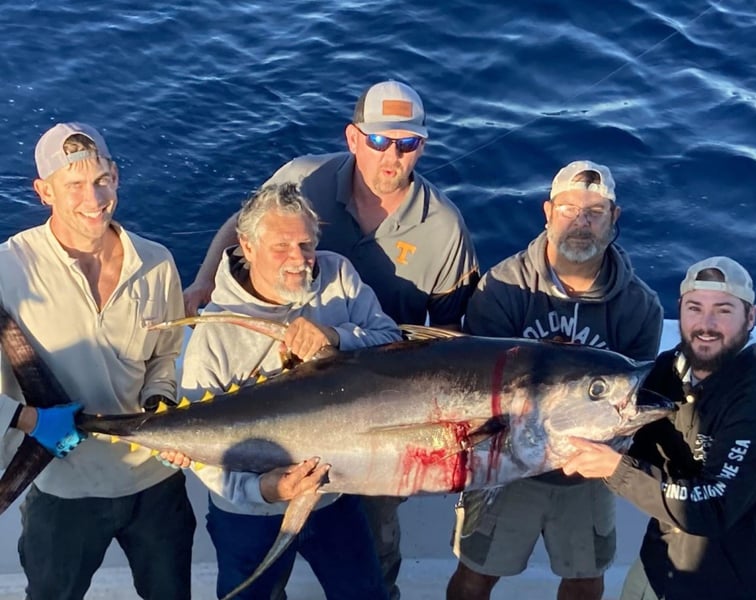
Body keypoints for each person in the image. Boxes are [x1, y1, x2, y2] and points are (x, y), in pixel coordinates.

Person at [183, 80, 480, 598]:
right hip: (263, 488)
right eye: (380, 140)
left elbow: (451, 337)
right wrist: (206, 281)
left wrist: (337, 338)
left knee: (370, 568)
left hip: (382, 423)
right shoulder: (304, 179)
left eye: (407, 143)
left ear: (422, 146)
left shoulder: (428, 235)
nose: (392, 155)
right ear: (353, 137)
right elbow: (247, 220)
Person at [447, 160, 664, 600]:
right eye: (568, 209)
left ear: (614, 218)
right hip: (504, 464)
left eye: (595, 212)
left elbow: (631, 403)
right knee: (475, 575)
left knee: (586, 580)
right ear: (547, 212)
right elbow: (473, 393)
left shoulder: (640, 307)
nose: (581, 222)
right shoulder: (503, 288)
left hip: (589, 473)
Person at [175, 181, 401, 599]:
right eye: (281, 246)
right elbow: (200, 443)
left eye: (306, 244)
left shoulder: (337, 275)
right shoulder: (215, 331)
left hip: (334, 491)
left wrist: (335, 336)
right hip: (249, 508)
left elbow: (390, 341)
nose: (299, 259)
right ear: (246, 246)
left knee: (364, 593)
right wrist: (266, 490)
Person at [0, 122, 194, 599]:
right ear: (44, 191)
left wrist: (161, 401)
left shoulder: (156, 262)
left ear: (116, 177)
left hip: (155, 482)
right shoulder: (7, 269)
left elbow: (166, 354)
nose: (94, 198)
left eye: (102, 180)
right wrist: (30, 420)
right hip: (62, 486)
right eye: (74, 185)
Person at [563, 256, 756, 600]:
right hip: (658, 567)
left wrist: (615, 468)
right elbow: (637, 440)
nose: (706, 324)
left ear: (751, 317)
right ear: (679, 310)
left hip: (736, 586)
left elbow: (712, 507)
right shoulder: (668, 370)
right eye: (694, 308)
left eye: (723, 310)